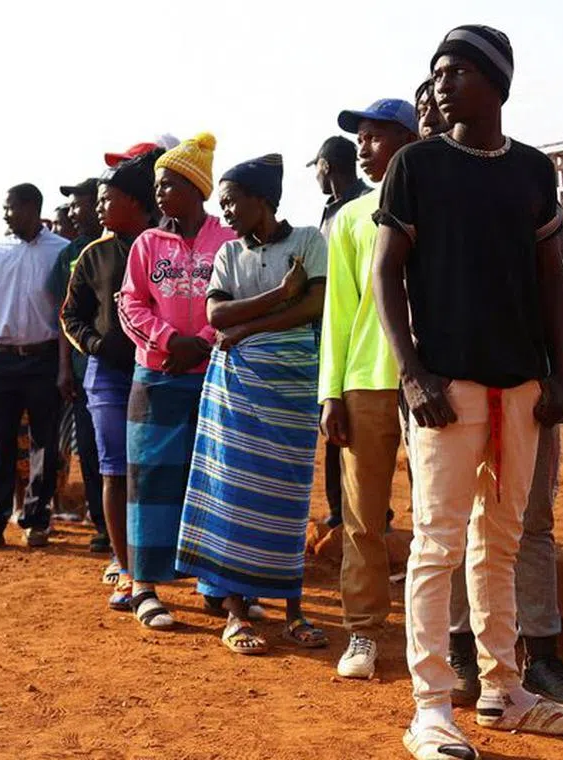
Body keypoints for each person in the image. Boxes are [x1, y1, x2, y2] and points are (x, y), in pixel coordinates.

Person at [371, 25, 563, 759]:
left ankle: (503, 690)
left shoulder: (530, 170)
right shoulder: (416, 167)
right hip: (446, 388)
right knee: (437, 545)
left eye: (457, 70)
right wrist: (412, 372)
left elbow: (551, 274)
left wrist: (555, 373)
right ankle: (431, 707)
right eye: (436, 73)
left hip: (521, 387)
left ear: (498, 83)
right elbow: (385, 273)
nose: (440, 84)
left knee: (497, 542)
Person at [176, 154, 328, 654]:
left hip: (291, 384)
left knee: (287, 497)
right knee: (233, 491)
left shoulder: (308, 239)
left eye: (232, 201)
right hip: (236, 386)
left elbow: (314, 305)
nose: (226, 213)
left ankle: (294, 610)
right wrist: (277, 296)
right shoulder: (228, 254)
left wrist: (248, 327)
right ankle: (237, 614)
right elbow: (216, 313)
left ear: (262, 199)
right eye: (222, 204)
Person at [317, 99, 419, 678]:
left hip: (434, 379)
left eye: (375, 136)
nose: (363, 147)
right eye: (359, 138)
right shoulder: (352, 216)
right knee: (361, 517)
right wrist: (330, 391)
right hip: (365, 380)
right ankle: (363, 633)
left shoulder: (440, 200)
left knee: (440, 516)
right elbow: (340, 310)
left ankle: (451, 639)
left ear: (408, 138)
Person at [117, 133, 236, 628]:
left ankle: (215, 583)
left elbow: (235, 297)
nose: (160, 193)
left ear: (196, 188)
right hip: (158, 375)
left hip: (212, 379)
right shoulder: (147, 243)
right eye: (158, 185)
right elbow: (131, 302)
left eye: (169, 184)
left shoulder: (226, 241)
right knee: (150, 480)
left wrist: (203, 341)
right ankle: (145, 584)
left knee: (211, 479)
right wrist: (170, 340)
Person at [61, 149, 160, 609]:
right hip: (107, 377)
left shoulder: (165, 245)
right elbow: (70, 313)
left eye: (108, 198)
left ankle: (164, 562)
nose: (99, 208)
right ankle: (125, 566)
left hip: (161, 371)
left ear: (137, 202)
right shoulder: (94, 255)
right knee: (115, 470)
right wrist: (96, 345)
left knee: (162, 471)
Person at [0, 183, 69, 551]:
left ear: (31, 207)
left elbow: (64, 313)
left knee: (44, 442)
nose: (5, 214)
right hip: (0, 360)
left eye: (10, 207)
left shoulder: (62, 251)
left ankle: (37, 520)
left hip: (44, 359)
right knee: (0, 444)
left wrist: (62, 367)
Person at [307, 136, 371, 528]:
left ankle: (372, 510)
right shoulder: (329, 212)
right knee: (334, 422)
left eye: (315, 166)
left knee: (363, 427)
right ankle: (337, 510)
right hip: (326, 335)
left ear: (326, 166)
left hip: (360, 334)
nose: (314, 174)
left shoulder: (365, 205)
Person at [52, 177, 108, 553]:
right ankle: (103, 525)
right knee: (89, 448)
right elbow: (63, 317)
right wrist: (64, 368)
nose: (74, 212)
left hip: (121, 364)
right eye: (70, 206)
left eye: (80, 203)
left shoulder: (124, 243)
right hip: (81, 364)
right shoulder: (67, 254)